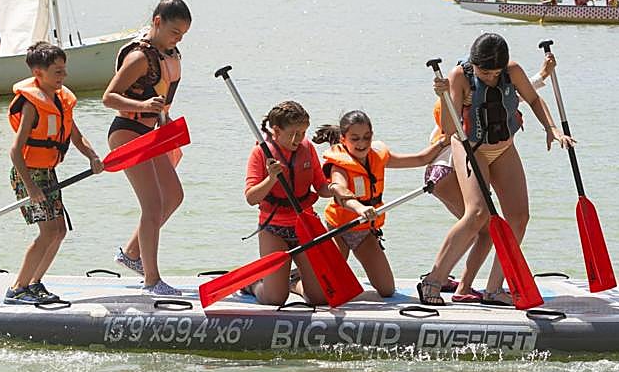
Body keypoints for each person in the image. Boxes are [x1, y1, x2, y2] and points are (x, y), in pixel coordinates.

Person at [416, 33, 572, 306]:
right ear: (474, 64)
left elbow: (534, 100)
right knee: (477, 214)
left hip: (503, 148)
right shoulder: (458, 76)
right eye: (485, 72)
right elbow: (450, 129)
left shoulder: (512, 71)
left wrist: (551, 128)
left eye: (495, 72)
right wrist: (445, 96)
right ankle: (433, 279)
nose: (490, 77)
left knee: (519, 217)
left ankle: (494, 288)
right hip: (470, 148)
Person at [101, 0, 191, 296]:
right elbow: (109, 97)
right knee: (152, 205)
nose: (177, 39)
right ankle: (152, 281)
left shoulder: (169, 56)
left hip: (151, 133)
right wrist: (143, 104)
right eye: (174, 32)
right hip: (126, 131)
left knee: (174, 196)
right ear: (157, 22)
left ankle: (131, 254)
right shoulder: (139, 57)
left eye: (182, 35)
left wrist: (163, 119)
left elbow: (163, 101)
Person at [245, 101, 374, 306]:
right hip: (273, 228)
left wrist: (334, 189)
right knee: (275, 299)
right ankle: (253, 284)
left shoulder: (307, 148)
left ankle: (292, 282)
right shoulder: (261, 153)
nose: (299, 139)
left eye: (303, 132)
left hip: (304, 226)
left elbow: (321, 187)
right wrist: (270, 179)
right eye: (293, 134)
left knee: (320, 298)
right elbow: (251, 198)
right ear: (276, 131)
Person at [4, 41, 105, 304]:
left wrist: (93, 157)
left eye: (64, 70)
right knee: (48, 232)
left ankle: (34, 283)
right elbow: (15, 152)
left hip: (47, 172)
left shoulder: (60, 101)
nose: (64, 76)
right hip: (28, 175)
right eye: (58, 71)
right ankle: (17, 288)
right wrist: (31, 187)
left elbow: (77, 137)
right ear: (39, 73)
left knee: (59, 231)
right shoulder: (31, 104)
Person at [314, 113, 446, 297]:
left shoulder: (378, 156)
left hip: (362, 231)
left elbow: (420, 159)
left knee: (387, 290)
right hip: (339, 228)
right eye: (355, 139)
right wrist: (360, 208)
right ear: (343, 139)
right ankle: (296, 278)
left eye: (366, 137)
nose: (362, 143)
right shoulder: (339, 166)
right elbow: (340, 190)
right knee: (326, 291)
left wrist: (443, 143)